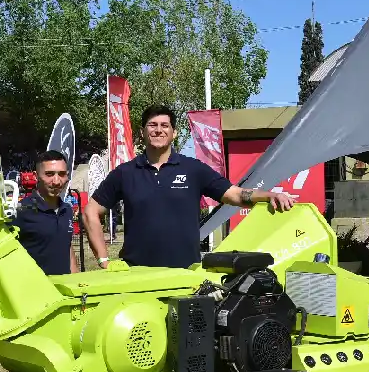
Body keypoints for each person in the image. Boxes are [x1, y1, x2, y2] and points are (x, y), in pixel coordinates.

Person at [83, 104, 297, 269]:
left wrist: (268, 196)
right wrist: (103, 260)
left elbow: (235, 195)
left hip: (186, 274)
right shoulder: (124, 173)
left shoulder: (193, 169)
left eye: (164, 125)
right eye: (153, 125)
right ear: (143, 132)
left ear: (174, 133)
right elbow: (90, 212)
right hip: (137, 276)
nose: (159, 130)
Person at [9, 150, 79, 275]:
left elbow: (66, 245)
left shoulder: (66, 210)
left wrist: (76, 278)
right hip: (35, 290)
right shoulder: (21, 211)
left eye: (62, 174)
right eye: (49, 174)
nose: (56, 181)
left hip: (65, 289)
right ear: (36, 176)